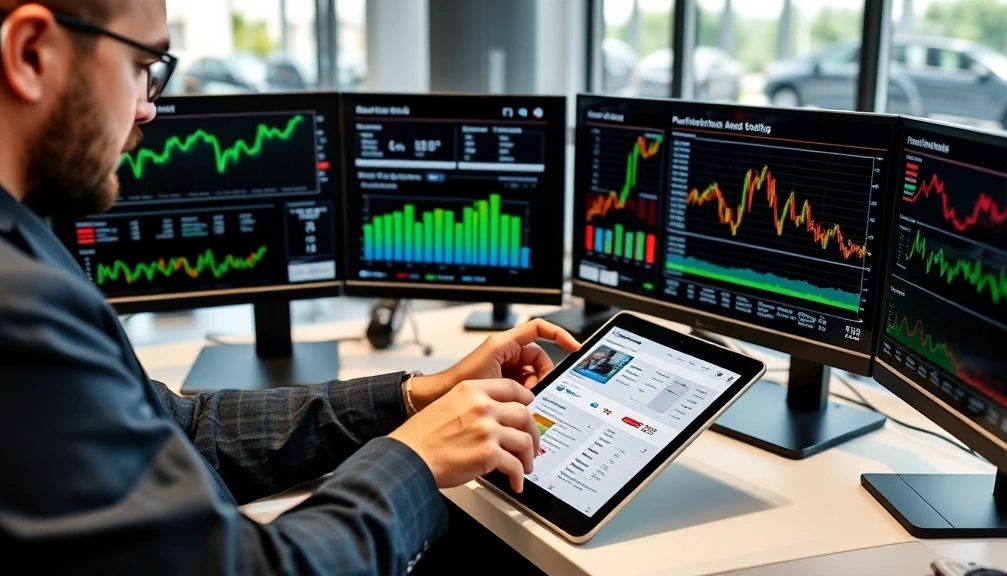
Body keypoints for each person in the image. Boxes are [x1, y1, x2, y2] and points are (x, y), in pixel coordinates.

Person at [0, 1, 581, 574]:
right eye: (141, 65)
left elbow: (186, 431)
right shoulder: (21, 306)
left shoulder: (27, 251)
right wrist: (417, 458)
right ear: (30, 53)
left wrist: (415, 397)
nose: (149, 108)